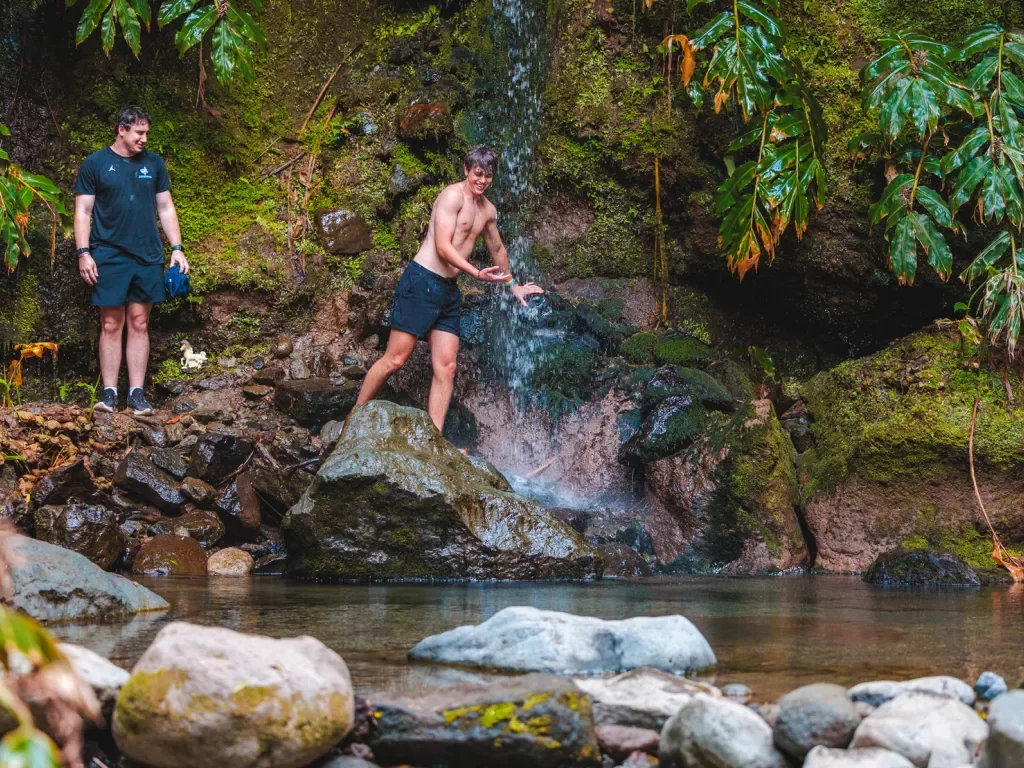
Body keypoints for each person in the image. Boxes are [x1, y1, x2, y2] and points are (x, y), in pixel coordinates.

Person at [355, 146, 543, 431]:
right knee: (395, 359)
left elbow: (497, 248)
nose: (482, 180)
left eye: (488, 176)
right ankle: (353, 418)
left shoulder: (488, 210)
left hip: (448, 290)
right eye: (478, 173)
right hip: (422, 281)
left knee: (447, 368)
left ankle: (434, 439)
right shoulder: (451, 196)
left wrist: (512, 285)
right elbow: (443, 247)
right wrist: (477, 273)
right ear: (467, 170)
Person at [74, 106, 189, 415]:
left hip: (147, 254)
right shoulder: (95, 164)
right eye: (139, 133)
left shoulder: (153, 163)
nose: (144, 138)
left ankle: (137, 394)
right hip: (108, 254)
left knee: (139, 321)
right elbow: (83, 212)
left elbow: (165, 207)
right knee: (112, 322)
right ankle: (109, 393)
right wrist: (83, 253)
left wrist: (176, 247)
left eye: (147, 133)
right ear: (121, 130)